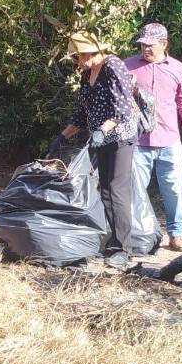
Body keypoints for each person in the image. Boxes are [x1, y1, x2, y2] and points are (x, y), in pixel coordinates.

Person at [48, 31, 138, 269]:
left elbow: (123, 109)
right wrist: (62, 137)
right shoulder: (87, 73)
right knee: (105, 191)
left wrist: (102, 130)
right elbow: (81, 114)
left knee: (117, 191)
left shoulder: (113, 66)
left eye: (78, 57)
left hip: (119, 138)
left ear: (89, 52)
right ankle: (113, 244)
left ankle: (123, 250)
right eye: (75, 58)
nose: (77, 62)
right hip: (101, 140)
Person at [124, 23, 182, 252]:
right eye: (143, 44)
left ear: (164, 44)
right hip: (138, 141)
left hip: (169, 140)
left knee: (174, 189)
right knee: (135, 190)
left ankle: (176, 234)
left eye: (150, 45)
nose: (145, 48)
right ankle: (137, 235)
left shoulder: (177, 68)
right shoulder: (127, 66)